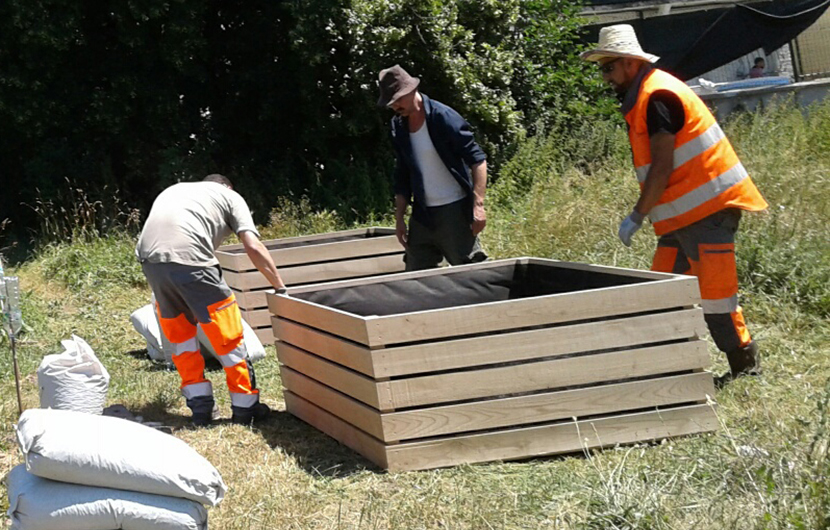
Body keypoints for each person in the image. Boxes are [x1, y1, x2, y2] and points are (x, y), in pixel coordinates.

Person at [581, 25, 769, 387]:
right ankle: (673, 368)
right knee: (664, 291)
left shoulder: (658, 97)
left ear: (630, 64)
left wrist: (637, 214)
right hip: (681, 218)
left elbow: (663, 166)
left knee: (716, 298)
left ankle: (746, 371)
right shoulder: (647, 94)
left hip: (707, 212)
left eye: (608, 68)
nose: (605, 77)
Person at [136, 174, 287, 426]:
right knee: (227, 337)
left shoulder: (178, 190)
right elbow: (253, 245)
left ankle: (201, 410)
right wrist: (279, 286)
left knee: (181, 338)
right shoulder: (229, 196)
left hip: (151, 262)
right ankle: (245, 408)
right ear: (227, 186)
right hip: (193, 261)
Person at [377, 65, 488, 271]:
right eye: (391, 103)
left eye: (398, 99)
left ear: (411, 91)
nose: (395, 107)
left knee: (472, 274)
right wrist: (400, 217)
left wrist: (478, 205)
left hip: (454, 211)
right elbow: (402, 174)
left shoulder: (443, 117)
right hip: (422, 215)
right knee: (415, 278)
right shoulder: (398, 126)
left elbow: (478, 160)